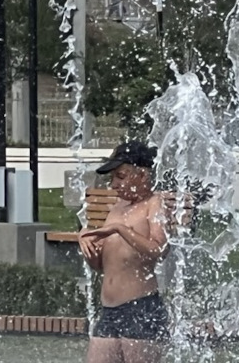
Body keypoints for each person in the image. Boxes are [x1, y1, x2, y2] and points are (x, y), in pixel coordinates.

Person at [79, 140, 171, 361]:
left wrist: (121, 229)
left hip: (141, 308)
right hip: (109, 310)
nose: (114, 185)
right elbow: (103, 266)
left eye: (120, 176)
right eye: (112, 178)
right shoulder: (118, 207)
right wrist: (89, 248)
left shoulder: (154, 203)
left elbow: (159, 249)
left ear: (142, 175)